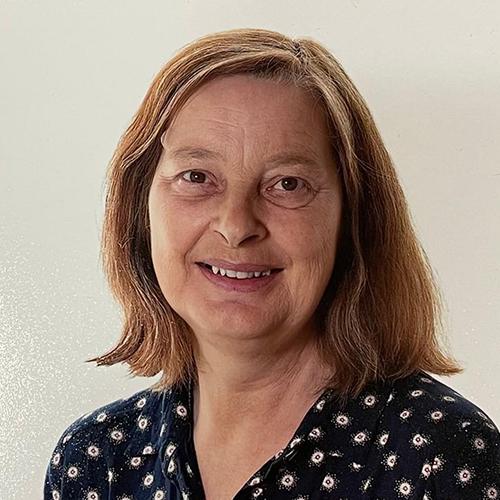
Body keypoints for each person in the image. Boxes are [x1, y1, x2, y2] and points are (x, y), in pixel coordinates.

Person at [44, 28, 500, 500]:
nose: (237, 225)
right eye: (197, 176)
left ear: (352, 218)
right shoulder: (95, 461)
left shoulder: (440, 456)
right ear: (142, 206)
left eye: (287, 184)